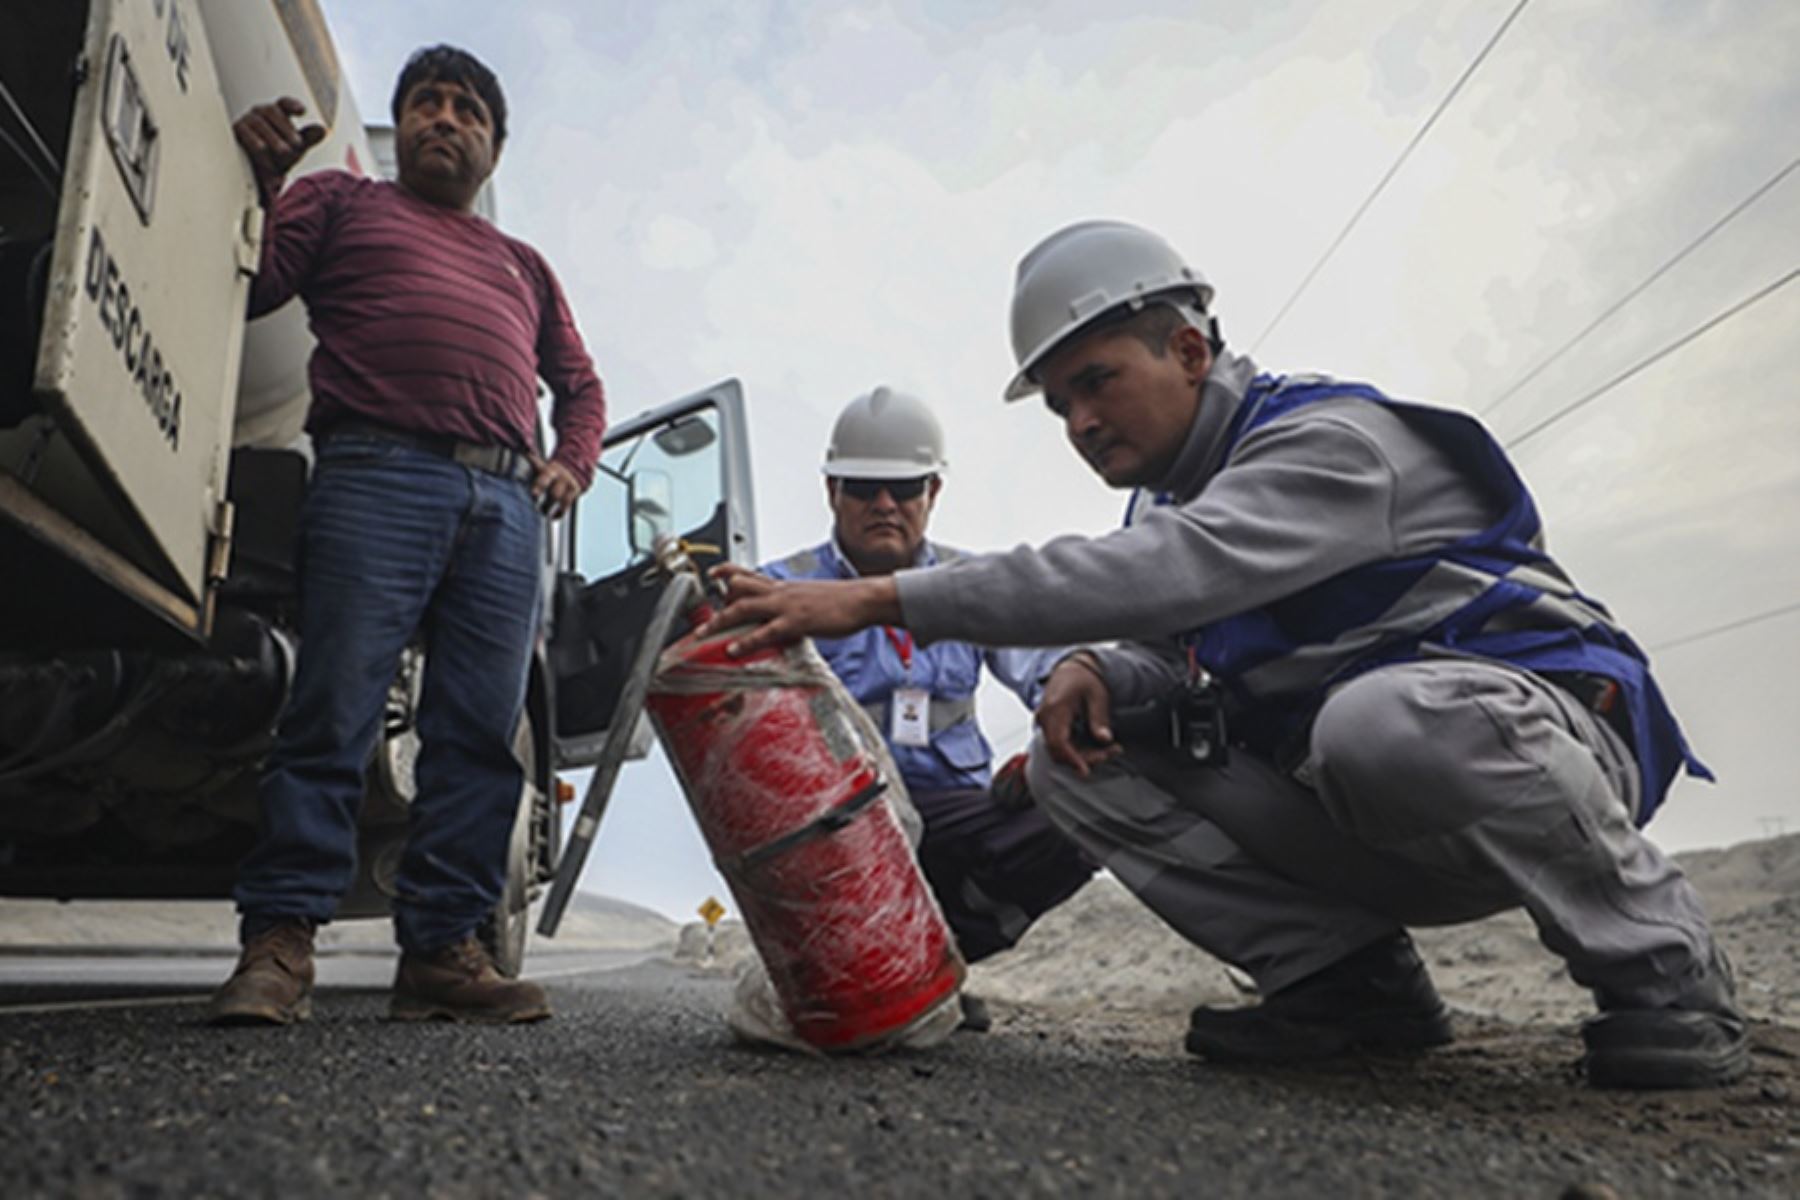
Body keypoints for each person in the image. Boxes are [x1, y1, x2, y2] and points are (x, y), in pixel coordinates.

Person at [704, 219, 1746, 1089]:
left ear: (1191, 352)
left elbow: (1168, 570)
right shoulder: (1166, 503)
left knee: (1380, 722)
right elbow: (1157, 632)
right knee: (1081, 760)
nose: (1080, 419)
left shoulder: (1326, 443)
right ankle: (1349, 985)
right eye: (1062, 401)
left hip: (1528, 754)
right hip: (1359, 803)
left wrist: (881, 599)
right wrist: (1097, 669)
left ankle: (1665, 972)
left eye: (1098, 382)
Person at [209, 46, 606, 1025]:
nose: (444, 118)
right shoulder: (345, 201)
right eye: (425, 102)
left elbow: (583, 387)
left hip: (507, 507)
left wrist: (571, 464)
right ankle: (279, 945)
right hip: (373, 474)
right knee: (333, 705)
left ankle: (440, 953)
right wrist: (259, 179)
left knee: (477, 735)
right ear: (402, 128)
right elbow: (252, 286)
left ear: (493, 146)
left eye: (467, 108)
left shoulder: (525, 266)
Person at [761, 387, 1096, 1028]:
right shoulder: (778, 587)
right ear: (832, 490)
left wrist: (1062, 713)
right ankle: (857, 976)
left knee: (1086, 810)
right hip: (835, 821)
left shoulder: (978, 586)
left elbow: (1047, 662)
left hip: (949, 817)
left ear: (932, 494)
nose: (885, 504)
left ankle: (937, 965)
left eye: (905, 487)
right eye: (863, 488)